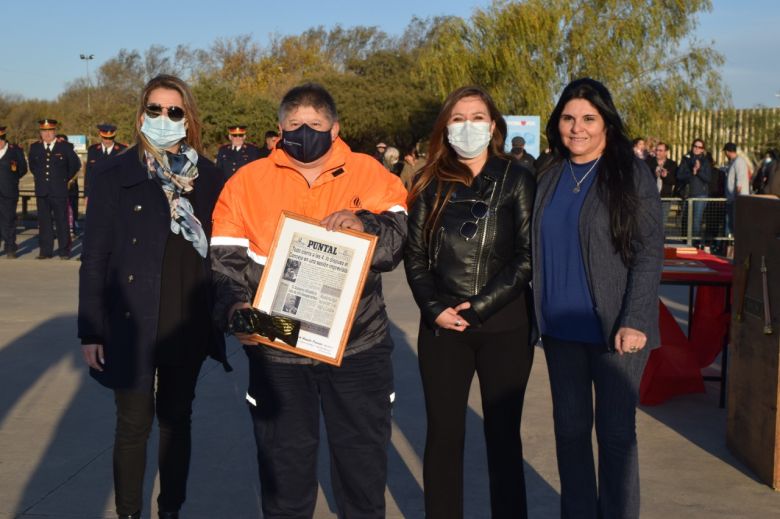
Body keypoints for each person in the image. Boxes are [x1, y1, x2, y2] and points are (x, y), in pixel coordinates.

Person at [209, 82, 407, 519]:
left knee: (362, 472)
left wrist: (364, 223)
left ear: (335, 128)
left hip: (358, 347)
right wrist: (234, 310)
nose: (304, 132)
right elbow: (224, 262)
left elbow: (397, 241)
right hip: (277, 346)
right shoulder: (247, 181)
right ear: (279, 129)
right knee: (284, 475)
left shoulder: (369, 171)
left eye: (315, 125)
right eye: (295, 125)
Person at [78, 74, 229, 519]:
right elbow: (94, 259)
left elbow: (223, 250)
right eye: (155, 110)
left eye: (174, 111)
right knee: (132, 426)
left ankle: (170, 511)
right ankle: (129, 513)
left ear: (188, 118)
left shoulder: (210, 177)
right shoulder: (112, 174)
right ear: (141, 114)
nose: (164, 119)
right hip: (131, 320)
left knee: (176, 423)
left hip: (187, 318)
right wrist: (91, 328)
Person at [532, 78, 663, 519]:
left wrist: (636, 318)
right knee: (569, 434)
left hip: (616, 330)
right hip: (559, 329)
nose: (577, 128)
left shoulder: (629, 173)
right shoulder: (548, 174)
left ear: (606, 122)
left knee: (615, 434)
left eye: (588, 118)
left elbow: (648, 250)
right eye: (568, 118)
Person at [404, 85, 535, 519]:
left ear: (493, 126)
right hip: (442, 327)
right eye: (458, 118)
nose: (468, 126)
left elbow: (526, 255)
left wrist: (479, 307)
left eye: (477, 117)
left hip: (504, 326)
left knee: (503, 437)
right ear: (445, 127)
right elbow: (415, 255)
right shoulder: (428, 181)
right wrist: (433, 308)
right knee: (443, 436)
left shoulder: (517, 178)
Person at [28, 119, 81, 259]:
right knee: (44, 223)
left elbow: (75, 165)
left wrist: (64, 179)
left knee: (62, 221)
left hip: (59, 190)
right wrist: (40, 180)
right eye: (44, 131)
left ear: (54, 131)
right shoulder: (35, 147)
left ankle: (64, 251)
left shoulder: (65, 147)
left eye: (50, 131)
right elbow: (33, 167)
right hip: (42, 190)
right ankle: (45, 251)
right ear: (40, 133)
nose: (47, 134)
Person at [676, 138, 713, 243]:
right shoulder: (686, 159)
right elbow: (679, 175)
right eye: (695, 146)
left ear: (703, 149)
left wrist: (698, 171)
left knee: (696, 222)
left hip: (700, 195)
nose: (696, 149)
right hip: (687, 194)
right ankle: (685, 243)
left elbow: (708, 178)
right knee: (685, 221)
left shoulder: (705, 161)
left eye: (699, 147)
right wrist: (692, 173)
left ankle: (695, 245)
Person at [0, 126, 28, 258]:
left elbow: (22, 169)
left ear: (4, 139)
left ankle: (10, 247)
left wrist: (11, 180)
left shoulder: (15, 151)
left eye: (0, 139)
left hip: (9, 192)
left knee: (9, 220)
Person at [85, 123, 128, 202]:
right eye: (105, 138)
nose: (107, 141)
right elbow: (88, 173)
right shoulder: (93, 150)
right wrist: (87, 194)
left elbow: (126, 173)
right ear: (101, 136)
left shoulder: (123, 150)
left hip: (116, 193)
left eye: (110, 138)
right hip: (97, 193)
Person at [722, 142, 750, 237]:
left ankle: (733, 245)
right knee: (730, 222)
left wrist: (738, 198)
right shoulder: (733, 162)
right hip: (732, 198)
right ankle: (729, 245)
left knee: (734, 222)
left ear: (727, 151)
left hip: (737, 199)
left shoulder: (739, 162)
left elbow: (740, 180)